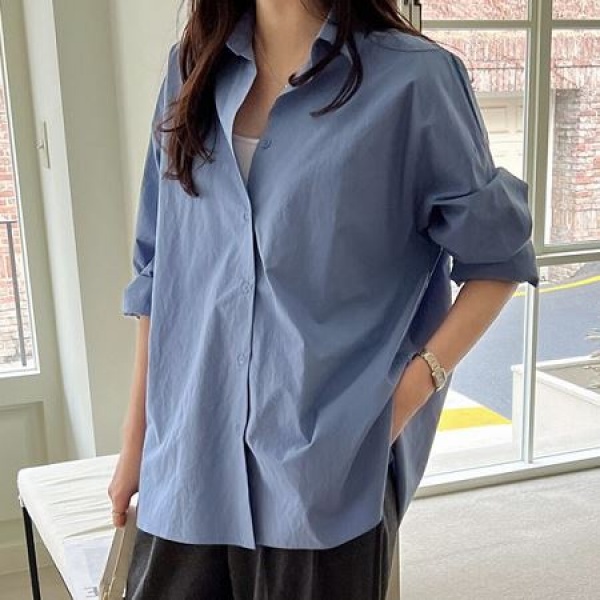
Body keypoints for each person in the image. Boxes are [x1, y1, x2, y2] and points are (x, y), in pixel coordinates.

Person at [109, 0, 540, 598]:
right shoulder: (190, 69)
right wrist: (136, 443)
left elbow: (498, 260)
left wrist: (400, 402)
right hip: (185, 469)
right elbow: (160, 275)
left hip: (322, 485)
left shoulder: (415, 79)